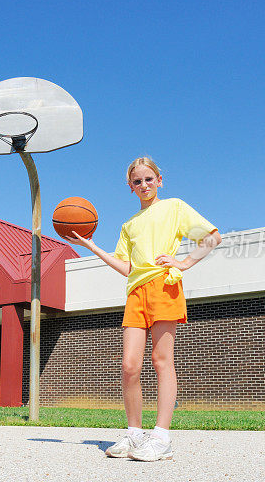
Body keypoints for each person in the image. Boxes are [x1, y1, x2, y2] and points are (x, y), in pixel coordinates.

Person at [65, 156, 221, 462]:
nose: (144, 185)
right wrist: (93, 247)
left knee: (162, 360)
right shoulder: (129, 225)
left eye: (149, 179)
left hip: (164, 285)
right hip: (136, 292)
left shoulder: (174, 206)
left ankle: (161, 437)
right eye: (138, 181)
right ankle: (135, 435)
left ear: (159, 180)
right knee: (129, 366)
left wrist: (184, 262)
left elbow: (212, 238)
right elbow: (126, 267)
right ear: (130, 186)